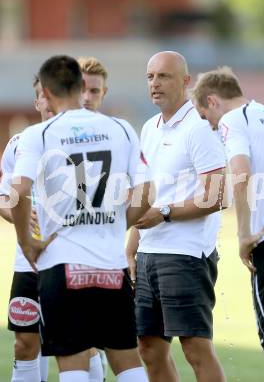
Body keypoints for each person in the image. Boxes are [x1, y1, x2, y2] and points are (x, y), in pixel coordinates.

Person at [11, 55, 151, 382]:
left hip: (62, 265)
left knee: (72, 364)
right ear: (80, 86)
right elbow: (149, 192)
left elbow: (17, 193)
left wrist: (27, 242)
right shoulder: (121, 129)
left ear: (44, 91)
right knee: (128, 362)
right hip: (111, 266)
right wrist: (118, 223)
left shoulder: (40, 135)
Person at [126, 51, 227, 382]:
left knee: (195, 348)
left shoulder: (198, 128)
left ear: (186, 81)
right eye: (150, 77)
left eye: (164, 76)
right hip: (148, 254)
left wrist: (166, 213)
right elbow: (148, 195)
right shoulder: (148, 128)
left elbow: (217, 195)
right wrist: (131, 247)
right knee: (149, 348)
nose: (155, 83)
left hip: (185, 254)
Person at [192, 65, 264, 352]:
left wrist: (244, 235)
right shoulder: (261, 113)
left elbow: (241, 175)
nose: (209, 125)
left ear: (212, 101)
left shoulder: (232, 121)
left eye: (204, 117)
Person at [0, 76, 53, 382]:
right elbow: (4, 197)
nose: (48, 101)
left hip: (75, 258)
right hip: (28, 260)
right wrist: (18, 215)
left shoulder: (86, 140)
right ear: (36, 102)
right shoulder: (19, 143)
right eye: (42, 96)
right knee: (25, 342)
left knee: (80, 346)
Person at [77, 55, 109, 381]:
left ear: (104, 94)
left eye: (95, 91)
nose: (87, 97)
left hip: (97, 251)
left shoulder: (116, 137)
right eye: (82, 89)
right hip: (49, 254)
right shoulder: (47, 136)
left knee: (90, 341)